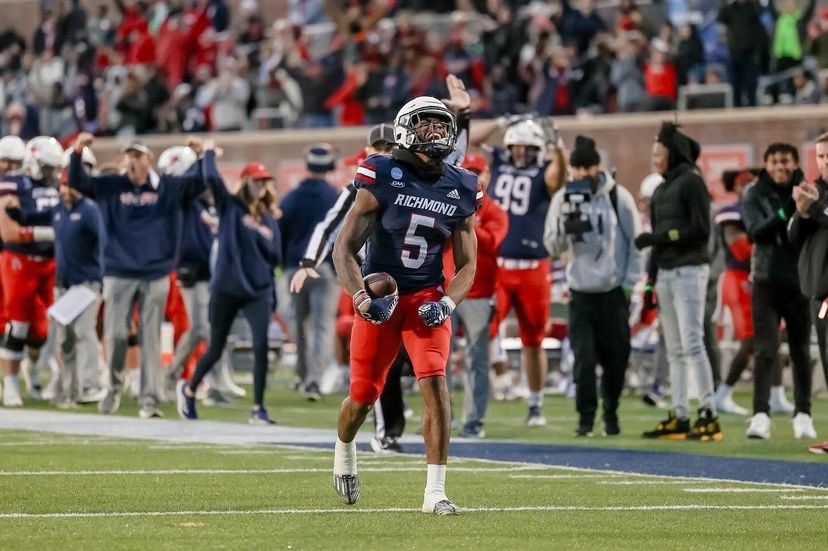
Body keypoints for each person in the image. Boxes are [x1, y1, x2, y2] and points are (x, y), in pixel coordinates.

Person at [331, 95, 479, 515]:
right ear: (404, 128)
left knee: (434, 380)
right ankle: (344, 453)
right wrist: (360, 297)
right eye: (426, 124)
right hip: (382, 298)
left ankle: (435, 492)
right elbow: (344, 250)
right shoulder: (381, 173)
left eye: (441, 124)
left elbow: (469, 265)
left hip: (427, 297)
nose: (436, 131)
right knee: (362, 396)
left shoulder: (462, 184)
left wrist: (448, 303)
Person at [68, 133, 207, 418]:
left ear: (149, 161)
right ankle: (115, 386)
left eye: (137, 156)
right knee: (117, 335)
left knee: (151, 337)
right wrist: (77, 152)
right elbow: (78, 182)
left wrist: (202, 157)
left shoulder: (167, 187)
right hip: (119, 272)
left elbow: (200, 184)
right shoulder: (112, 185)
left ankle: (149, 399)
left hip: (156, 272)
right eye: (128, 156)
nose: (131, 162)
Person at [470, 116, 566, 427]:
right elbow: (471, 138)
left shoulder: (544, 171)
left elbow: (558, 178)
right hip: (499, 265)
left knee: (533, 339)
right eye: (517, 147)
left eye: (529, 148)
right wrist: (500, 121)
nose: (522, 154)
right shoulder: (499, 161)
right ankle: (501, 378)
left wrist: (559, 147)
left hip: (533, 268)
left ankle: (535, 404)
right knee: (482, 330)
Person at [544, 136, 642, 437]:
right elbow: (551, 245)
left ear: (597, 167)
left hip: (613, 292)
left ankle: (610, 412)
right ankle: (585, 419)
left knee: (616, 358)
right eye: (576, 169)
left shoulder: (617, 196)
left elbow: (635, 242)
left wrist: (628, 285)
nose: (581, 175)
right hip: (581, 293)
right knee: (583, 359)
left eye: (586, 168)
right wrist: (565, 224)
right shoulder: (562, 198)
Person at [177, 155, 282, 425]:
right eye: (257, 180)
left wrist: (273, 293)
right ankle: (189, 389)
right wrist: (208, 154)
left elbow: (274, 258)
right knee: (216, 346)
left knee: (261, 345)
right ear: (246, 181)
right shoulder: (230, 206)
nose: (261, 185)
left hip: (258, 290)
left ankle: (259, 407)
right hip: (226, 287)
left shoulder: (270, 217)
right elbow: (212, 179)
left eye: (264, 181)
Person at [637, 122, 722, 442]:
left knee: (692, 341)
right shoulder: (659, 190)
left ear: (674, 153)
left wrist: (660, 237)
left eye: (659, 152)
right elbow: (658, 245)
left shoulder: (692, 184)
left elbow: (700, 231)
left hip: (690, 271)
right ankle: (681, 413)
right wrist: (649, 285)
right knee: (674, 349)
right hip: (668, 274)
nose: (655, 158)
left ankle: (709, 413)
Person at [9, 162, 106, 406]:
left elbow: (104, 243)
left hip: (86, 285)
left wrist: (100, 274)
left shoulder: (90, 210)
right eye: (62, 185)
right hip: (63, 285)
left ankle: (89, 385)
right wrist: (15, 214)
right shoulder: (58, 210)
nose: (64, 190)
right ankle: (66, 390)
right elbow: (33, 217)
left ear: (79, 188)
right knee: (66, 341)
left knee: (85, 332)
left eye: (69, 186)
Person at [742, 143, 815, 440]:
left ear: (795, 162)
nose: (779, 167)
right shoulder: (755, 193)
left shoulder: (810, 191)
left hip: (799, 280)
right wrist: (789, 210)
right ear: (766, 164)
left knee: (799, 351)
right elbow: (756, 232)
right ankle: (761, 414)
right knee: (765, 349)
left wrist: (805, 210)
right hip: (766, 280)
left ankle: (803, 414)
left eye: (785, 161)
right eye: (774, 161)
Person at [0, 135, 60, 407]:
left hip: (49, 261)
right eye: (47, 166)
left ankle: (33, 372)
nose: (51, 173)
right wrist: (56, 233)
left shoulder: (56, 184)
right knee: (18, 325)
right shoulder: (13, 183)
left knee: (44, 329)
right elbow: (9, 232)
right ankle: (10, 384)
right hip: (20, 260)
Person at [452, 151, 508, 439]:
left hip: (478, 291)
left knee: (477, 360)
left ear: (487, 175)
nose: (474, 176)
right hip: (446, 289)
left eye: (478, 171)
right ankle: (442, 417)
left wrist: (469, 220)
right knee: (438, 359)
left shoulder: (495, 211)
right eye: (469, 170)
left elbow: (491, 243)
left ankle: (473, 421)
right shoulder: (448, 199)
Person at [279, 144, 340, 401]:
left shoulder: (292, 196)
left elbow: (279, 232)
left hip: (295, 267)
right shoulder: (335, 196)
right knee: (322, 326)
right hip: (324, 267)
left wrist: (285, 264)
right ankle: (315, 380)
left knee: (299, 323)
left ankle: (304, 374)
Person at [713, 170, 756, 416]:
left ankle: (776, 395)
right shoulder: (732, 212)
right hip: (739, 278)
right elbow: (741, 249)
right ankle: (723, 393)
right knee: (750, 341)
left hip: (759, 278)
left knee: (769, 342)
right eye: (745, 183)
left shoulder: (760, 210)